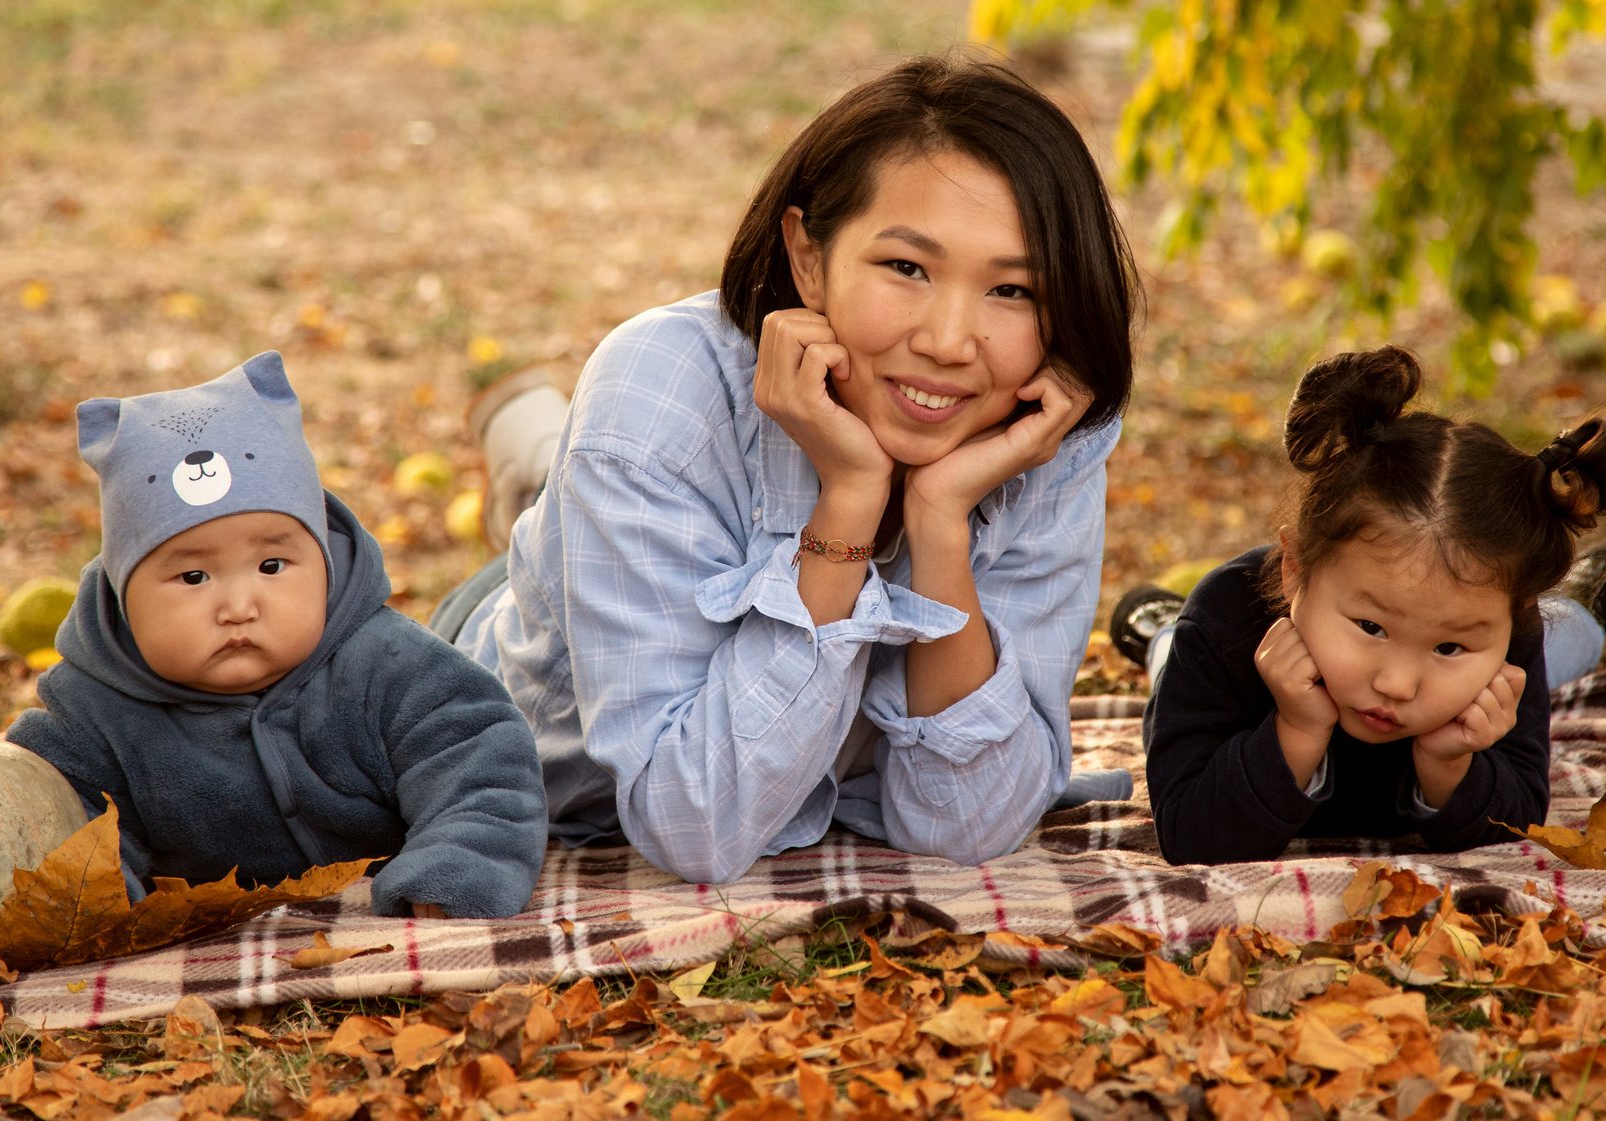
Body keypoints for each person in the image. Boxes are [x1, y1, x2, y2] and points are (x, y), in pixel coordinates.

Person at [434, 55, 1141, 885]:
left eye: (1013, 290)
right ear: (808, 257)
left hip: (653, 508)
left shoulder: (1043, 419)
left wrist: (942, 523)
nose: (952, 341)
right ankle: (537, 459)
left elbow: (966, 824)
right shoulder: (657, 398)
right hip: (531, 680)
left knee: (578, 468)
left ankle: (535, 451)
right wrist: (849, 499)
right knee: (588, 472)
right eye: (907, 268)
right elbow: (694, 825)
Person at [7, 352, 547, 918]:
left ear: (323, 563)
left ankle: (538, 473)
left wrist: (455, 865)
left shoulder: (388, 661)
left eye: (271, 567)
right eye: (193, 577)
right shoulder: (90, 715)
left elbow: (480, 765)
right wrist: (95, 901)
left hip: (487, 621)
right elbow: (50, 819)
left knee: (540, 555)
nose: (239, 607)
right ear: (123, 595)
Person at [1139, 345, 1606, 863]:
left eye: (1449, 646)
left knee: (1571, 638)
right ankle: (1156, 624)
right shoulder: (1224, 620)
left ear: (1509, 626)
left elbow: (1516, 825)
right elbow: (1188, 836)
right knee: (1169, 654)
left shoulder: (1509, 631)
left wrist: (1450, 766)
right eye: (1371, 627)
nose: (1397, 685)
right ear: (1295, 571)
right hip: (1214, 643)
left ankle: (1591, 592)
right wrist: (1295, 730)